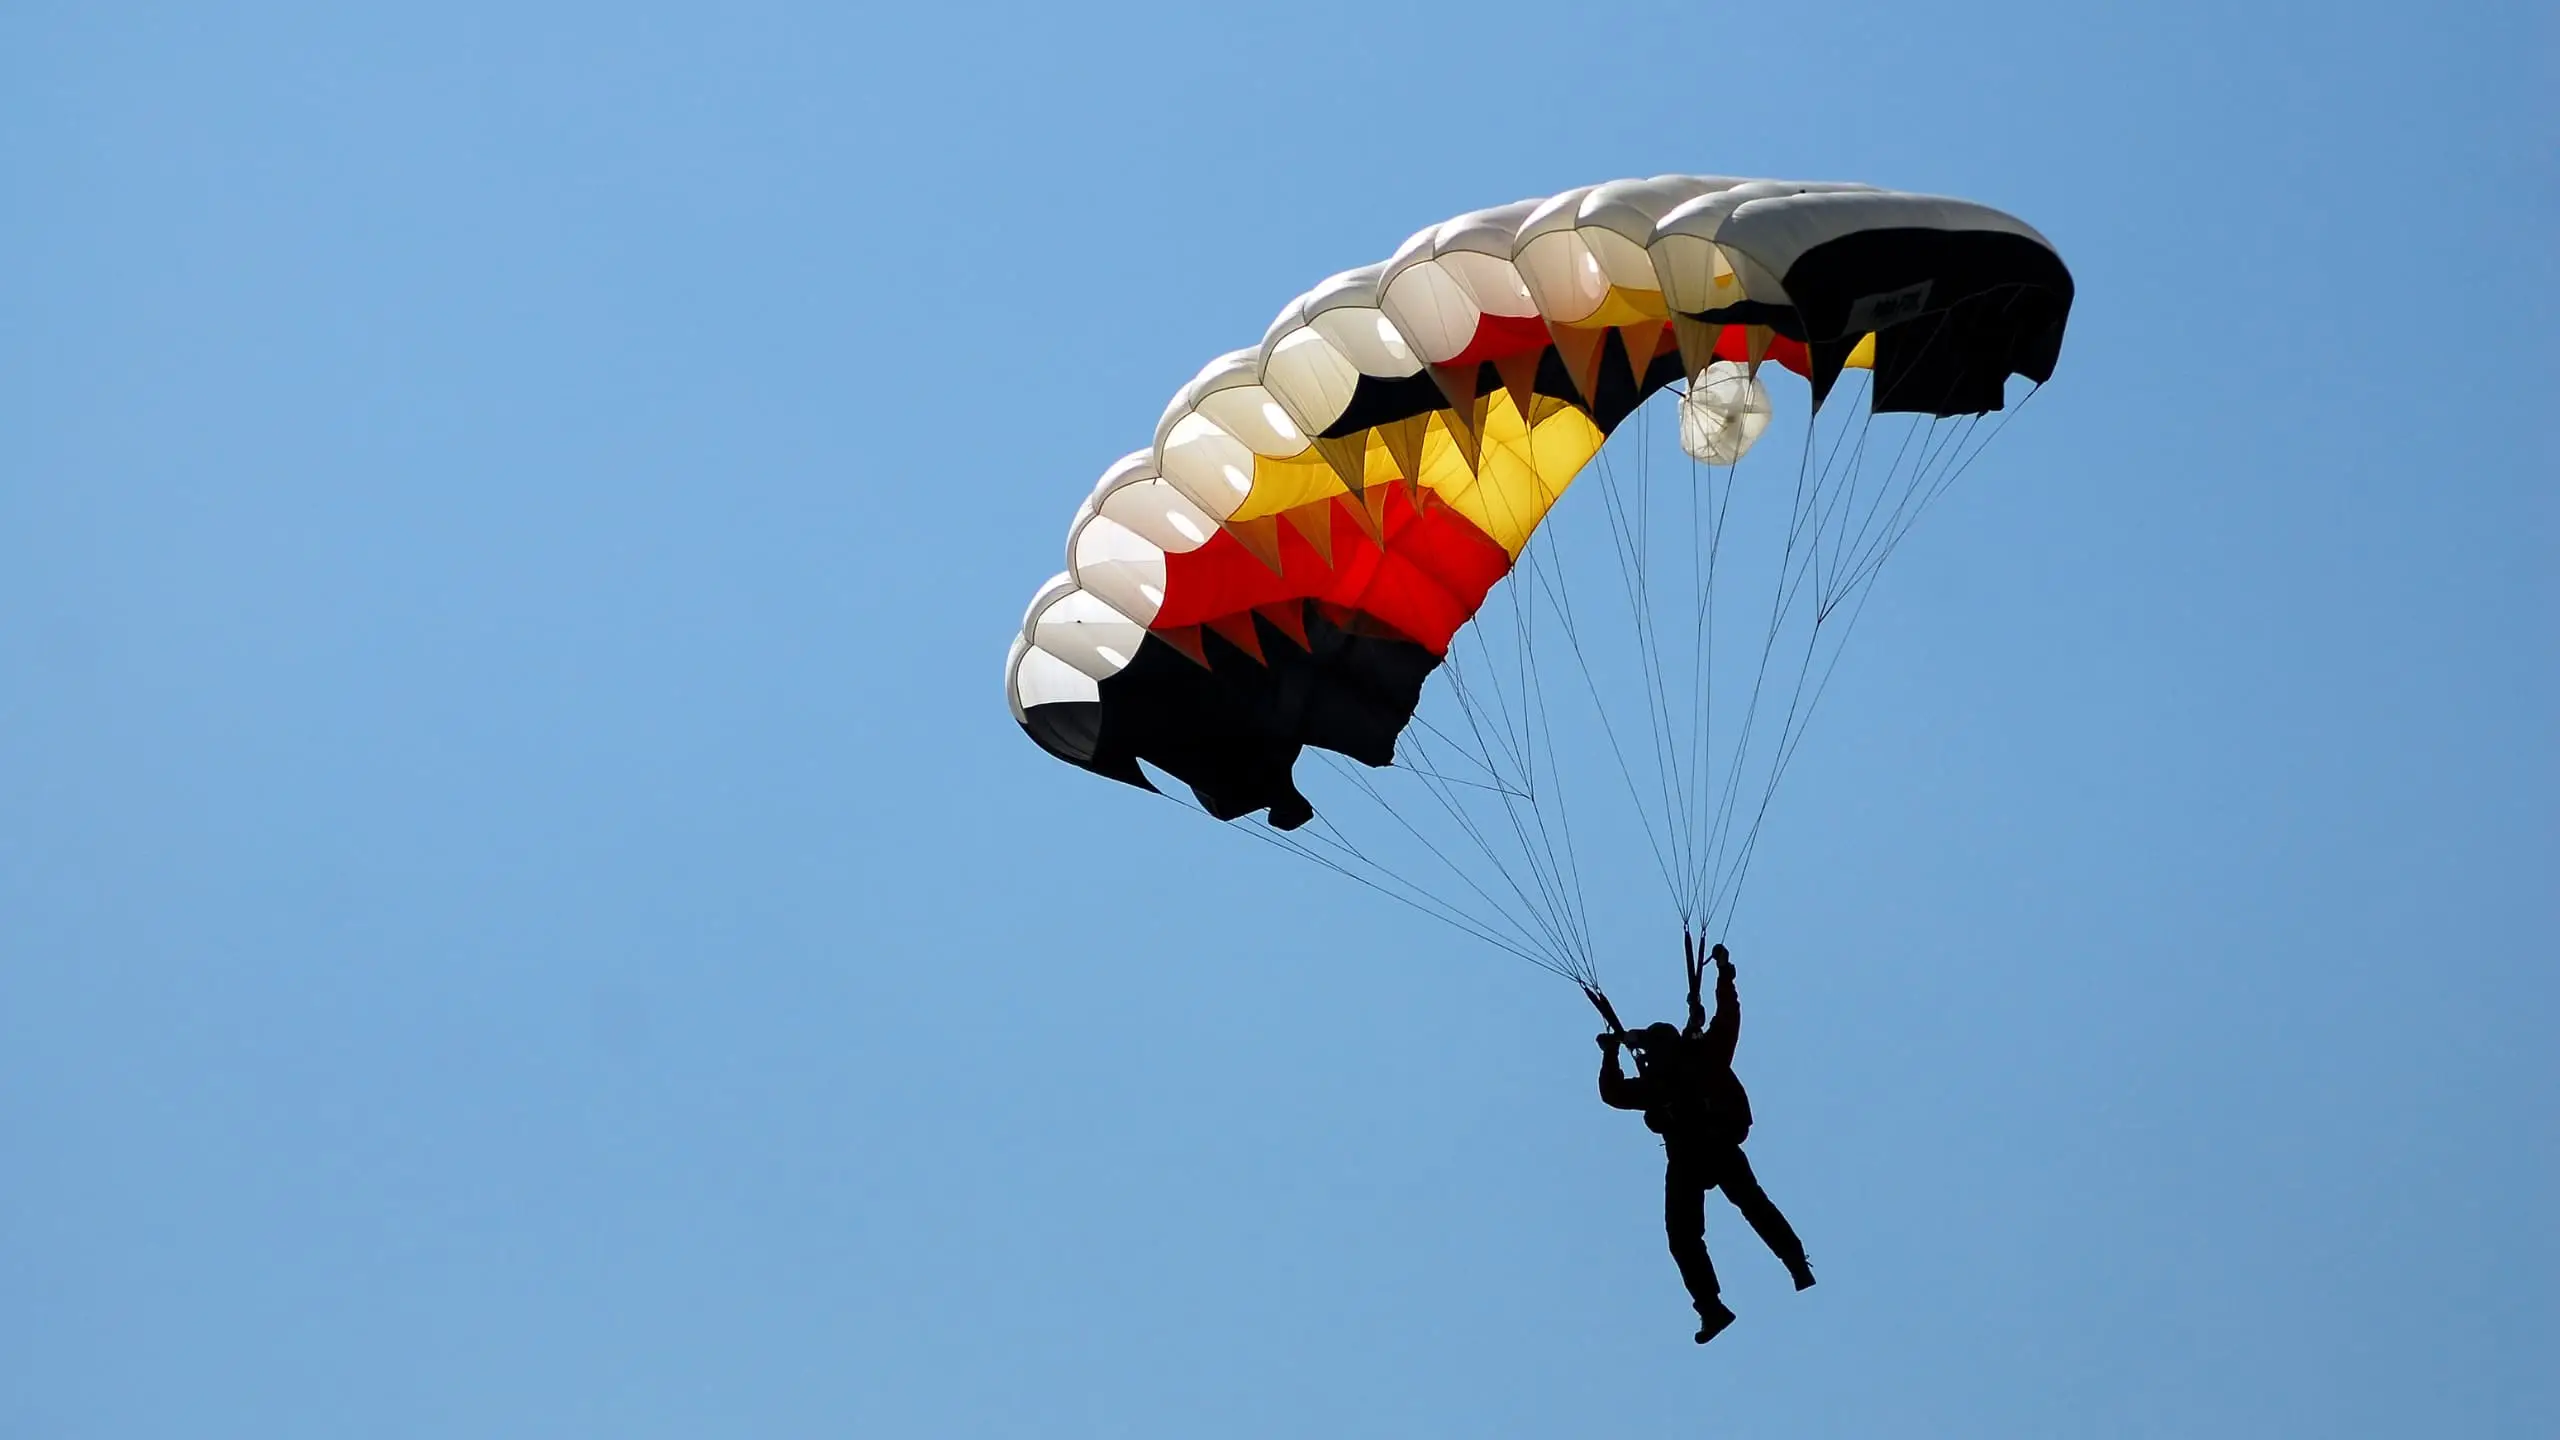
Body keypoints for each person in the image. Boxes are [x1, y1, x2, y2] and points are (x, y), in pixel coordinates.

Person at [1598, 939, 1814, 1344]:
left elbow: (1613, 1093)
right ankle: (1749, 1288)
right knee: (1726, 1217)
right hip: (1704, 1153)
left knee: (1703, 1228)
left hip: (1701, 1152)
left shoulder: (1678, 1071)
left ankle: (1742, 1291)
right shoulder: (1692, 1063)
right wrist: (1724, 974)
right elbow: (1728, 1016)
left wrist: (1611, 1054)